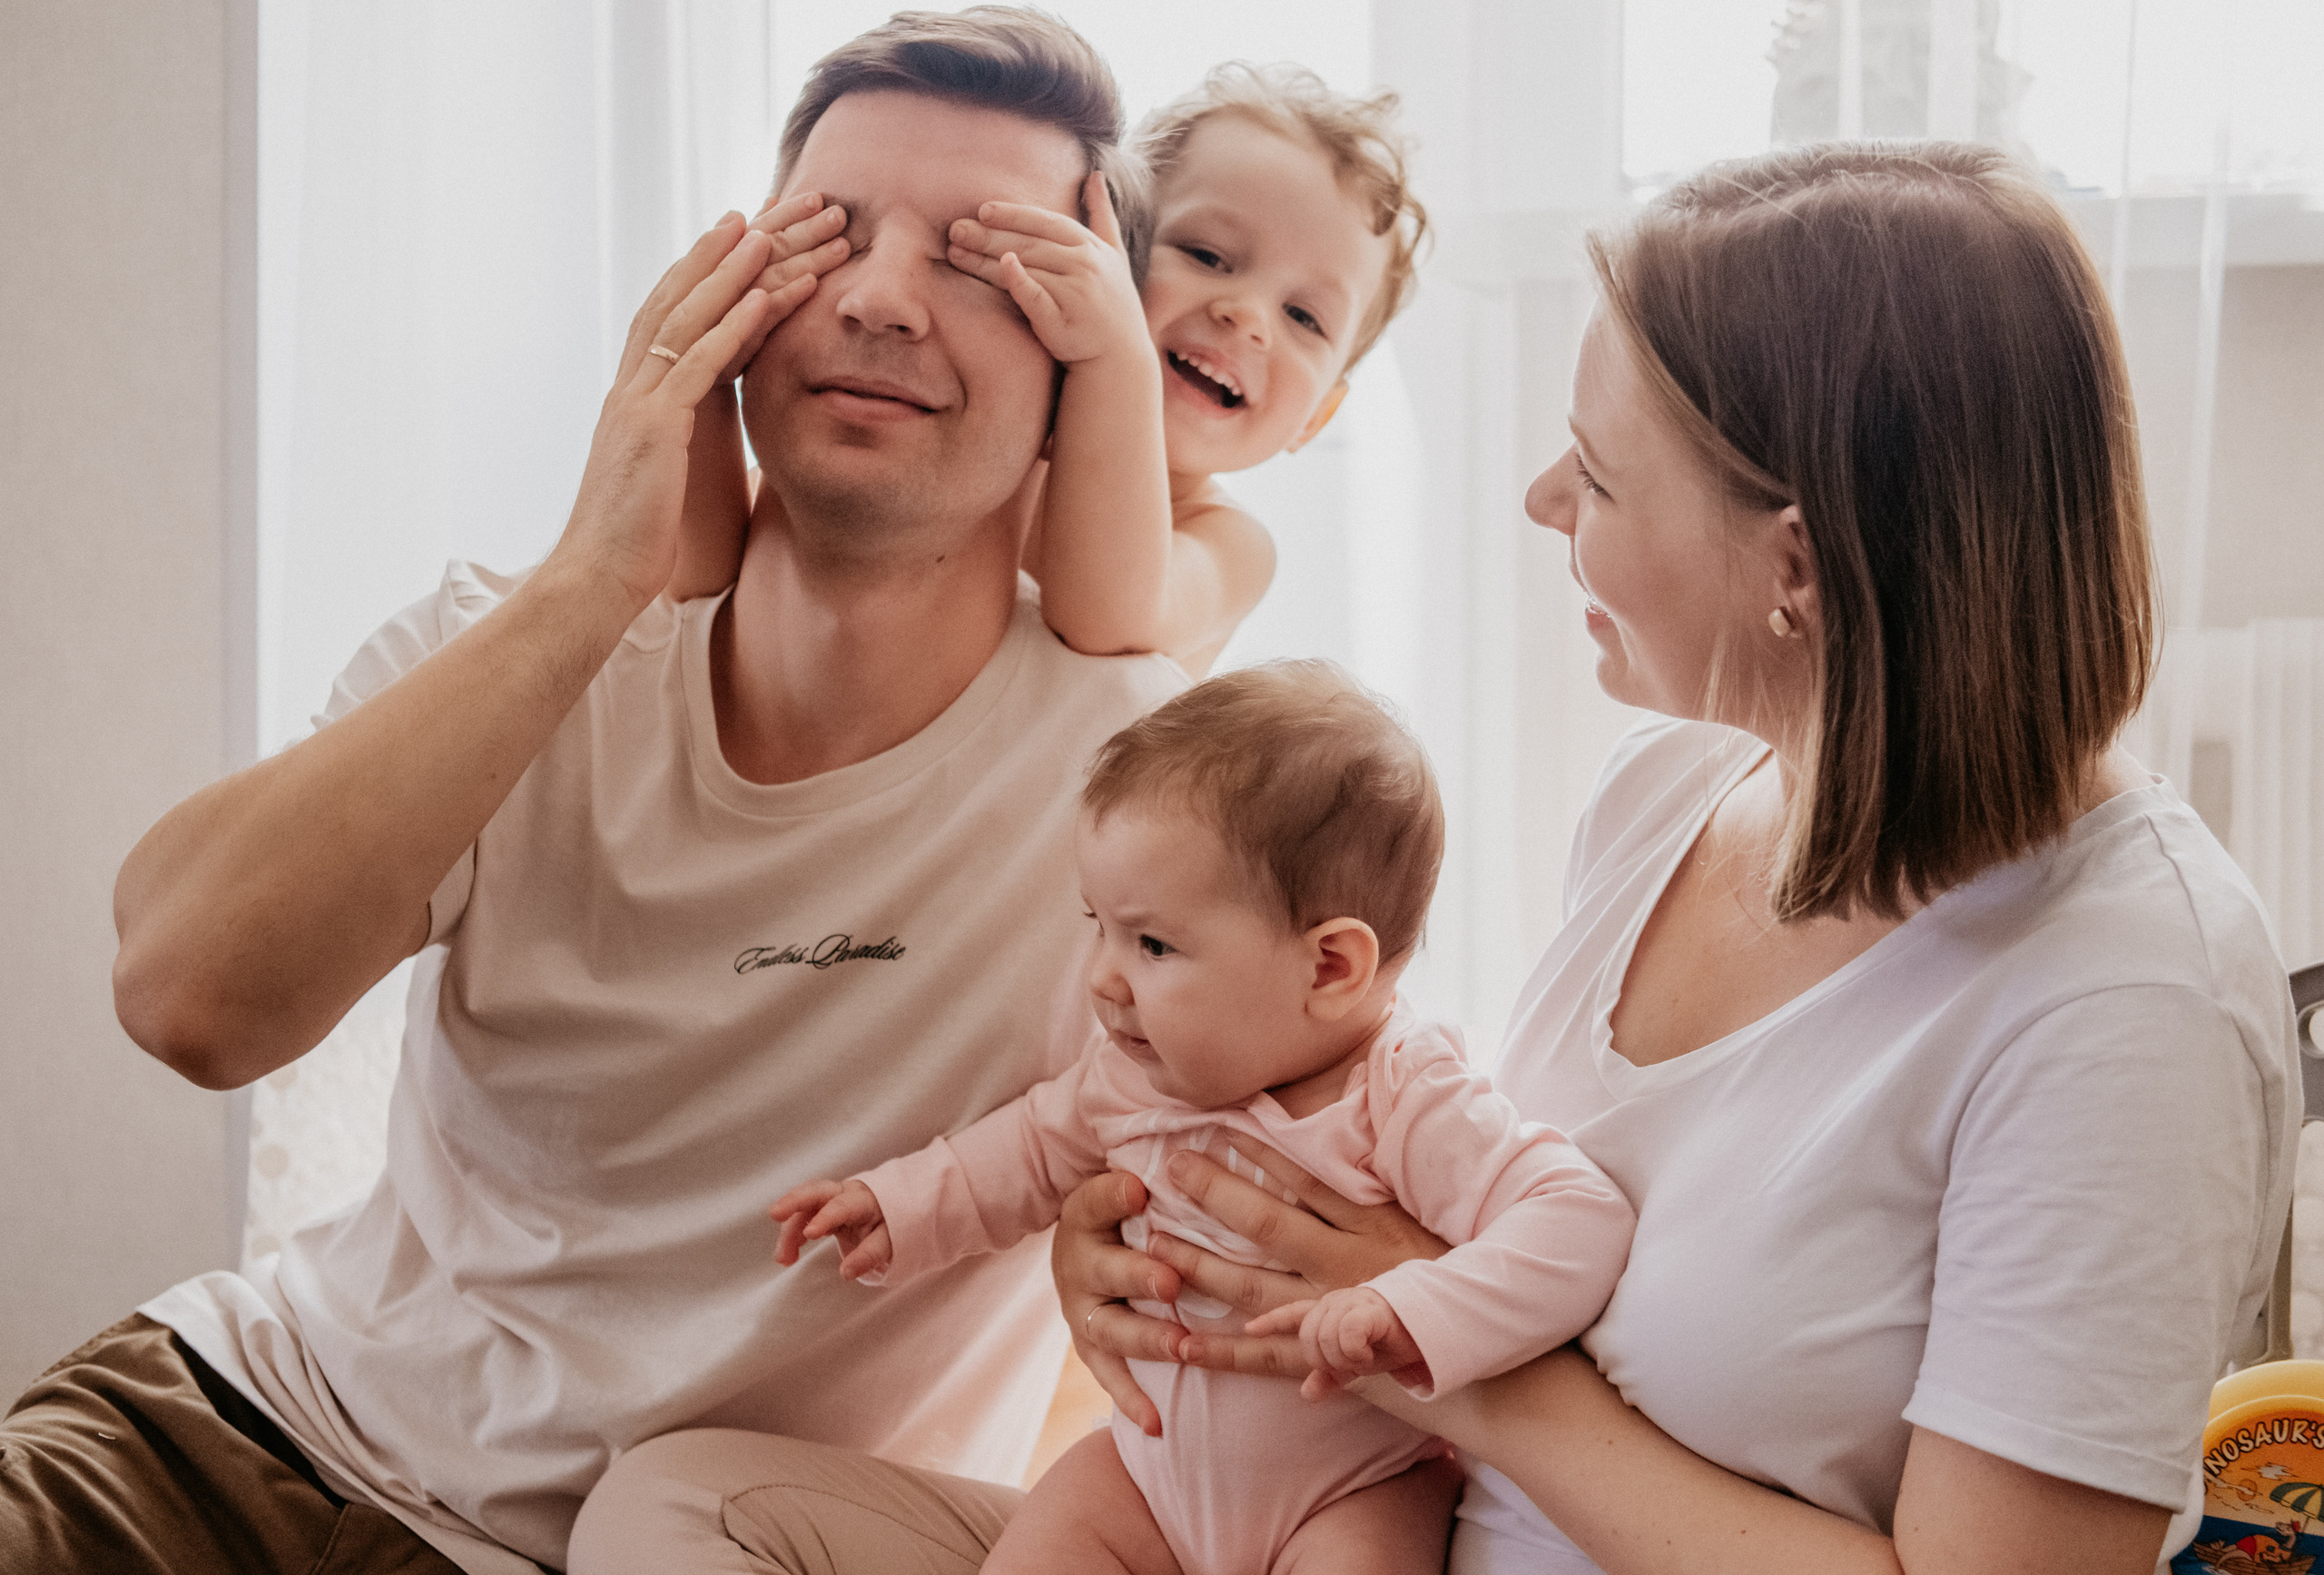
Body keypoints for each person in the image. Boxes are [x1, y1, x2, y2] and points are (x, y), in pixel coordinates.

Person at [5, 12, 1185, 1574]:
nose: (883, 301)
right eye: (826, 237)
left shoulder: (1152, 798)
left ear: (1082, 371)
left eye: (985, 262)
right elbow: (187, 1000)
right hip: (238, 1428)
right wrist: (588, 585)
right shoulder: (516, 643)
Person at [1044, 143, 2300, 1575]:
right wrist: (1169, 1261)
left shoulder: (2126, 1005)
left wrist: (1470, 1368)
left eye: (1597, 475)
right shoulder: (1675, 788)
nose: (1539, 502)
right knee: (733, 1499)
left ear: (1798, 569)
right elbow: (1443, 1198)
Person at [567, 663, 1632, 1574]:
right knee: (1047, 1541)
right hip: (1146, 1473)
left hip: (1353, 1488)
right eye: (1098, 928)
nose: (1103, 981)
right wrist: (899, 1204)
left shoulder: (1403, 1097)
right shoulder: (1132, 1078)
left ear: (1330, 965)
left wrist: (1420, 1309)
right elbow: (1025, 1148)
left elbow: (1573, 1219)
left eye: (1152, 945)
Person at [674, 64, 1430, 681]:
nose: (1248, 316)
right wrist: (707, 372)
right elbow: (691, 576)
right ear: (1102, 250)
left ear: (1318, 417)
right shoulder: (987, 444)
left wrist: (1117, 363)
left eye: (1305, 318)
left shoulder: (1229, 542)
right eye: (1206, 256)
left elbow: (1105, 615)